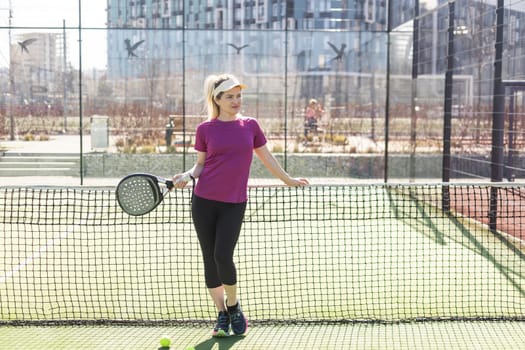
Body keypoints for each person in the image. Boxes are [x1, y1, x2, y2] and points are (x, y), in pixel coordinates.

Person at [172, 73, 309, 337]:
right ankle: (222, 313)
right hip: (203, 201)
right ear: (217, 99)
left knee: (223, 255)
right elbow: (200, 164)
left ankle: (234, 305)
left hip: (234, 203)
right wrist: (187, 176)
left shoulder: (250, 126)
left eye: (238, 95)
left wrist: (287, 179)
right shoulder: (205, 130)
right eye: (230, 96)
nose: (236, 101)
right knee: (210, 260)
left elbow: (266, 156)